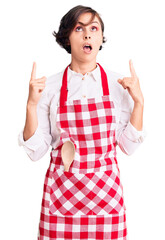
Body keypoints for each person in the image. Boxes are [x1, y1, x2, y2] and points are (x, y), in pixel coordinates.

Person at [18, 5, 145, 240]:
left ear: (100, 38)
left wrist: (139, 103)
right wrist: (31, 106)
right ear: (67, 36)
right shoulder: (49, 88)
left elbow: (129, 146)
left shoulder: (121, 84)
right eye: (79, 28)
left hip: (106, 200)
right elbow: (35, 152)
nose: (87, 34)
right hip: (61, 199)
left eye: (93, 28)